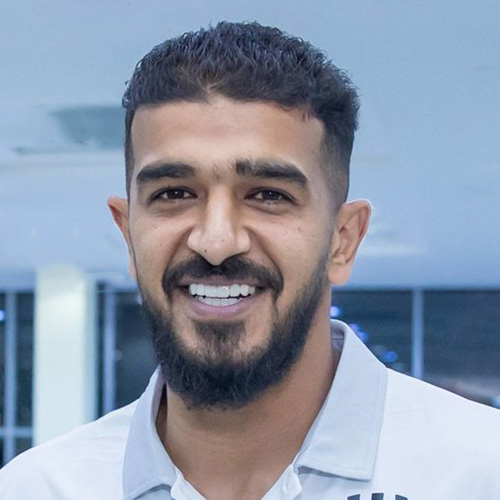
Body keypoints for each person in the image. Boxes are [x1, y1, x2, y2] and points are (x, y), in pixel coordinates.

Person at [1, 21, 499, 500]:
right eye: (174, 193)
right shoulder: (37, 489)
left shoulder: (478, 474)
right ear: (129, 235)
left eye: (268, 195)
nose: (216, 242)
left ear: (343, 241)